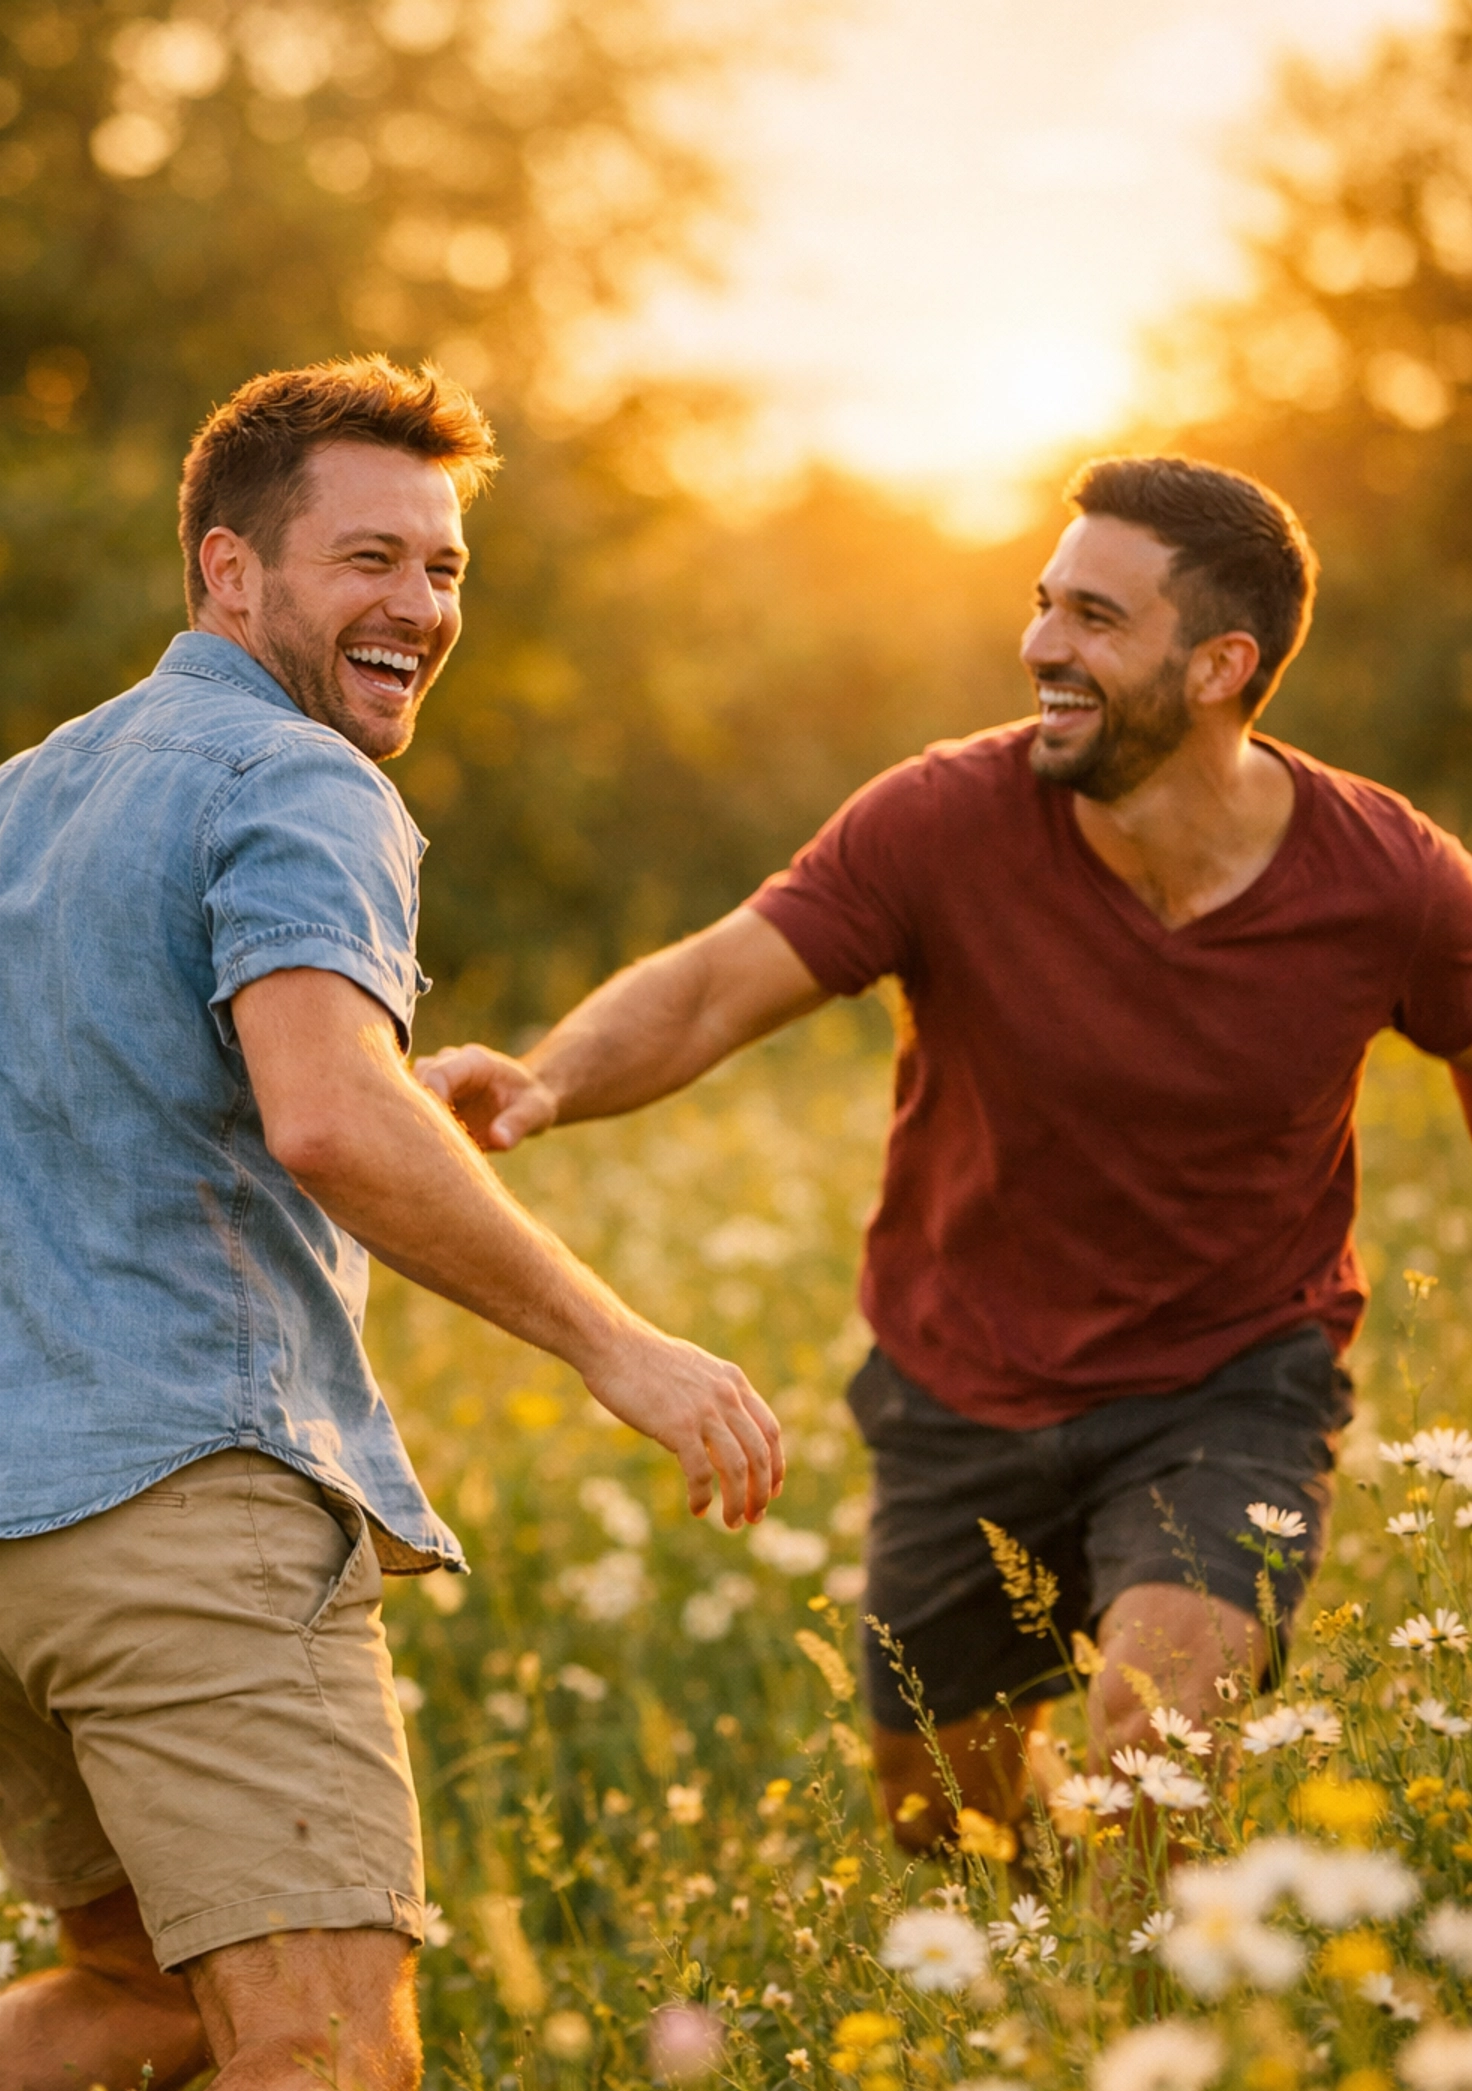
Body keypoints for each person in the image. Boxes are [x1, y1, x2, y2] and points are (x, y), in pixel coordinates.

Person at [0, 356, 781, 2091]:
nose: (419, 604)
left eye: (447, 565)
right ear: (230, 571)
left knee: (139, 1981)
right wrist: (615, 1345)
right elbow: (322, 1111)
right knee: (320, 2058)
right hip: (179, 1507)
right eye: (367, 558)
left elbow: (146, 1096)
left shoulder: (5, 806)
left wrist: (398, 1092)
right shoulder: (292, 775)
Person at [421, 453, 1472, 1853]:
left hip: (1232, 1383)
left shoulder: (1386, 880)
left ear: (1223, 664)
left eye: (1097, 618)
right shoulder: (942, 820)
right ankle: (1041, 2004)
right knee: (946, 1824)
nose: (1041, 644)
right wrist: (545, 1080)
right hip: (959, 1387)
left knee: (1157, 1739)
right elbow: (716, 983)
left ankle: (1154, 2044)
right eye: (1045, 605)